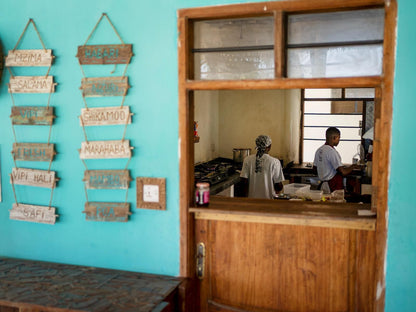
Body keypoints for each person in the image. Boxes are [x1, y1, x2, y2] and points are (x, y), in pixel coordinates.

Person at [313, 127, 362, 193]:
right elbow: (343, 172)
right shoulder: (331, 151)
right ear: (334, 138)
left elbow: (315, 169)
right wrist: (353, 166)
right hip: (333, 185)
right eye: (339, 138)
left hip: (323, 184)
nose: (339, 140)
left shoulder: (319, 150)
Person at [240, 135, 284, 199]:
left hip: (252, 201)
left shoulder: (247, 160)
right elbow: (278, 186)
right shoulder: (275, 162)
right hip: (268, 201)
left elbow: (243, 182)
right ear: (269, 147)